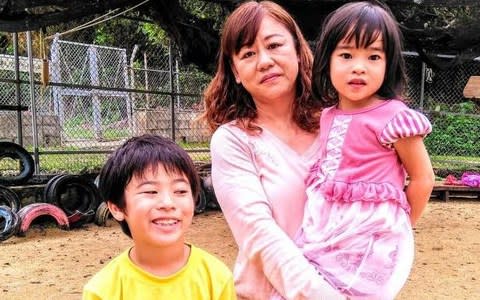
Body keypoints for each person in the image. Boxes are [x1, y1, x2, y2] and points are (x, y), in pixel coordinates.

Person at [202, 1, 346, 299]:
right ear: (236, 72)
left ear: (297, 49)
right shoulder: (233, 141)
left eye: (274, 45)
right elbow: (258, 233)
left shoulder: (340, 125)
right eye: (248, 54)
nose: (264, 61)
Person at [294, 1, 436, 298]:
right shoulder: (329, 115)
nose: (359, 67)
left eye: (373, 56)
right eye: (346, 55)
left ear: (389, 65)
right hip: (326, 230)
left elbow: (423, 178)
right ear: (327, 60)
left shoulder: (395, 117)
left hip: (372, 237)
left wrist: (399, 227)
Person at [82, 134, 236, 300]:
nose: (168, 203)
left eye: (180, 191)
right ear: (117, 208)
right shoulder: (102, 291)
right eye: (150, 191)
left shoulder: (216, 279)